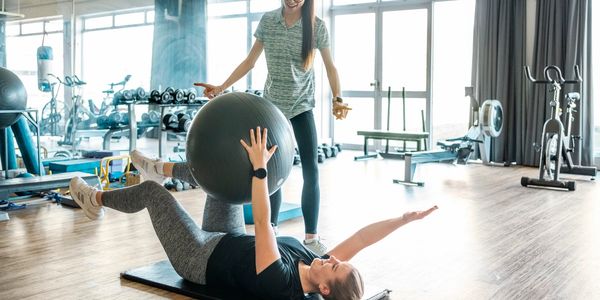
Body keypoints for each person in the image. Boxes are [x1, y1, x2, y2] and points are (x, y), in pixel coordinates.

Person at [70, 127, 437, 300]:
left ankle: (96, 201)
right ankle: (162, 168)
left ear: (324, 288)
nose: (333, 257)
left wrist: (260, 168)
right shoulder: (317, 263)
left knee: (153, 195)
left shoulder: (282, 284)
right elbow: (360, 239)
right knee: (225, 173)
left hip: (198, 257)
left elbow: (261, 222)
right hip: (224, 236)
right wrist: (403, 222)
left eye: (336, 266)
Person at [195, 0, 351, 255]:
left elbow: (331, 66)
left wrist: (338, 98)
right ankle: (272, 230)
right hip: (272, 110)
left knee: (311, 169)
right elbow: (249, 62)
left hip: (302, 107)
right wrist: (221, 87)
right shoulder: (268, 21)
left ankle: (311, 237)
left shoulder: (317, 26)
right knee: (269, 171)